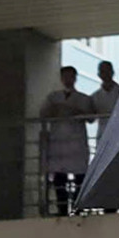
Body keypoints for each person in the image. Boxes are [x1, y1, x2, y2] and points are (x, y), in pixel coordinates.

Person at [38, 66, 95, 216]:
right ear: (61, 78)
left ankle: (79, 208)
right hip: (59, 144)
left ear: (75, 78)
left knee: (79, 178)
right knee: (59, 178)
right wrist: (56, 109)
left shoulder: (84, 98)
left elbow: (91, 118)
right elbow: (43, 114)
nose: (68, 80)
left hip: (76, 143)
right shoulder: (53, 98)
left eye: (71, 76)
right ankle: (62, 209)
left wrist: (76, 112)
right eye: (65, 77)